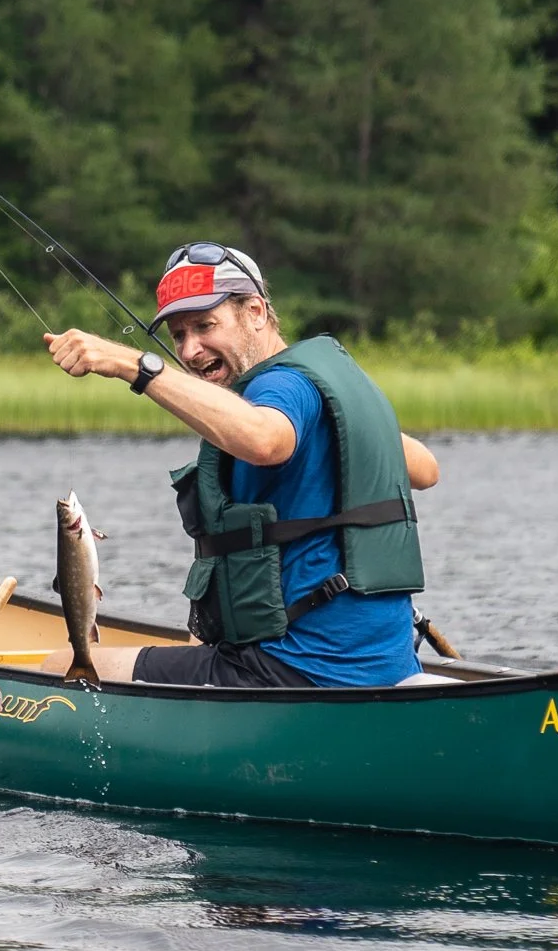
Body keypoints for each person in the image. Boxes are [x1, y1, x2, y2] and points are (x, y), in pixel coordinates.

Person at [38, 242, 440, 688]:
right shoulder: (321, 390)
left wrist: (133, 365)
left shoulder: (281, 388)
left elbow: (265, 440)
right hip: (386, 665)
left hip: (298, 672)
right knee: (196, 643)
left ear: (255, 312)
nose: (190, 350)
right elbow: (426, 469)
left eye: (205, 325)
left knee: (58, 664)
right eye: (178, 335)